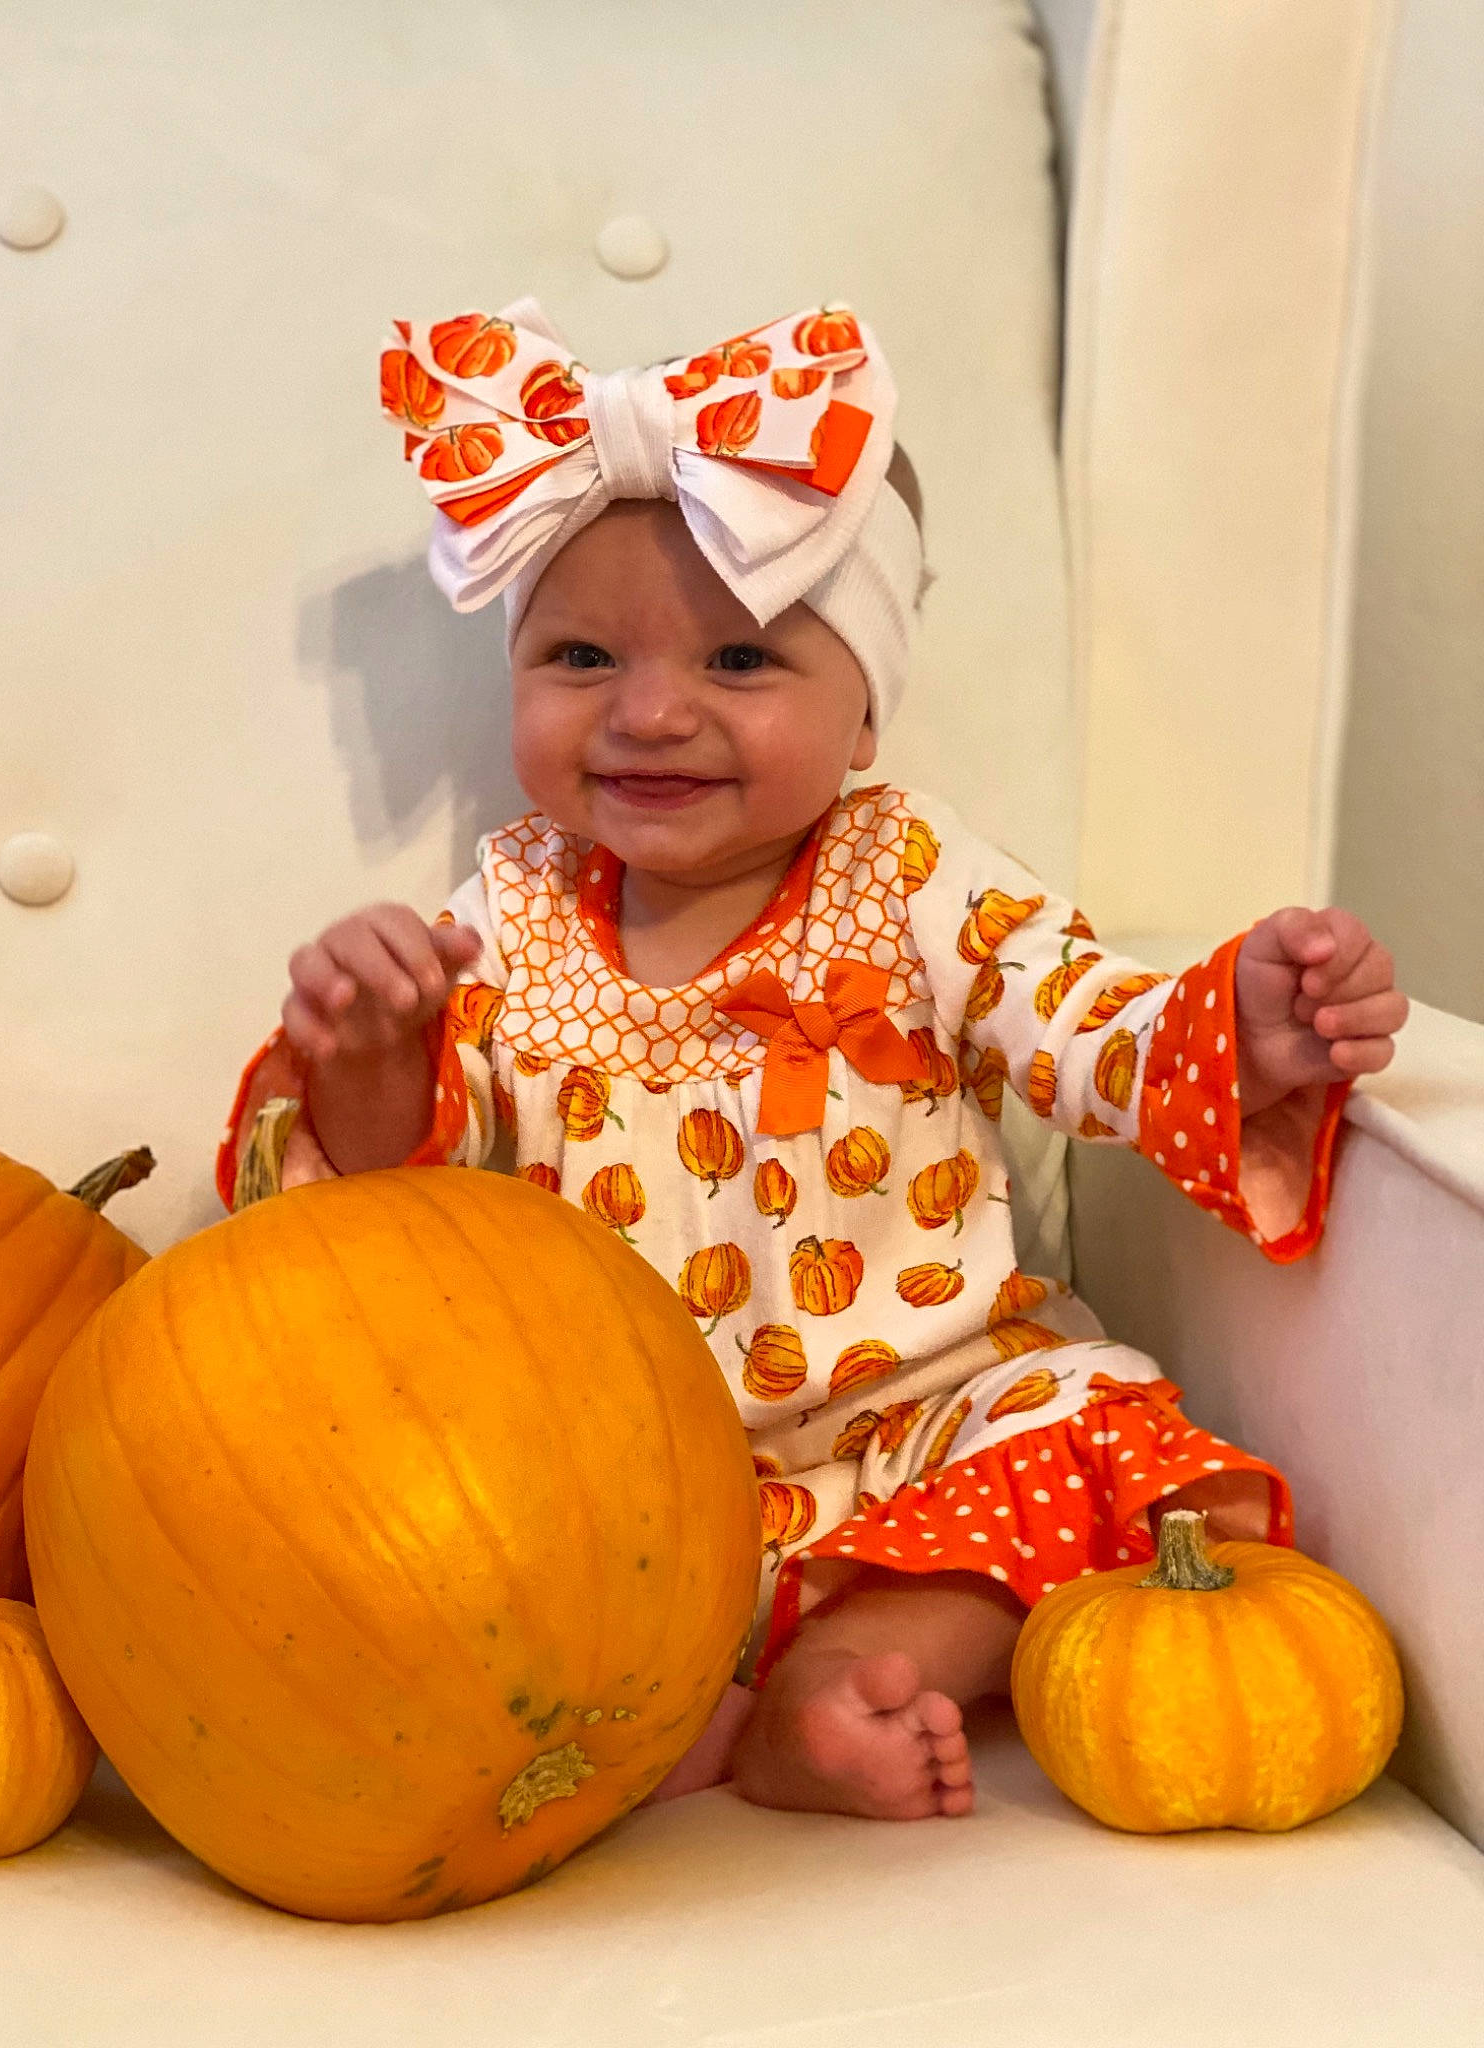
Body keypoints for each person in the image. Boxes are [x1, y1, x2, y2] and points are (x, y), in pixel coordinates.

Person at [218, 299, 1407, 1822]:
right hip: (620, 1473)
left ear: (863, 716)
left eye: (740, 658)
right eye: (579, 656)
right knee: (441, 1545)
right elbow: (395, 1212)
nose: (652, 711)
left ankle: (838, 1681)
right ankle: (669, 1696)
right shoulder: (505, 916)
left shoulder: (909, 876)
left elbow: (1080, 1025)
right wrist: (367, 1044)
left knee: (1088, 1423)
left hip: (921, 1411)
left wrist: (1239, 1023)